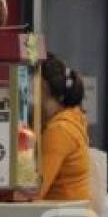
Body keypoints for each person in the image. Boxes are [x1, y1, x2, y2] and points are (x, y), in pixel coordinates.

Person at [38, 54, 90, 201]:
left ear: (43, 87)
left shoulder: (59, 130)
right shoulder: (71, 117)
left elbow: (36, 190)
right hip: (70, 216)